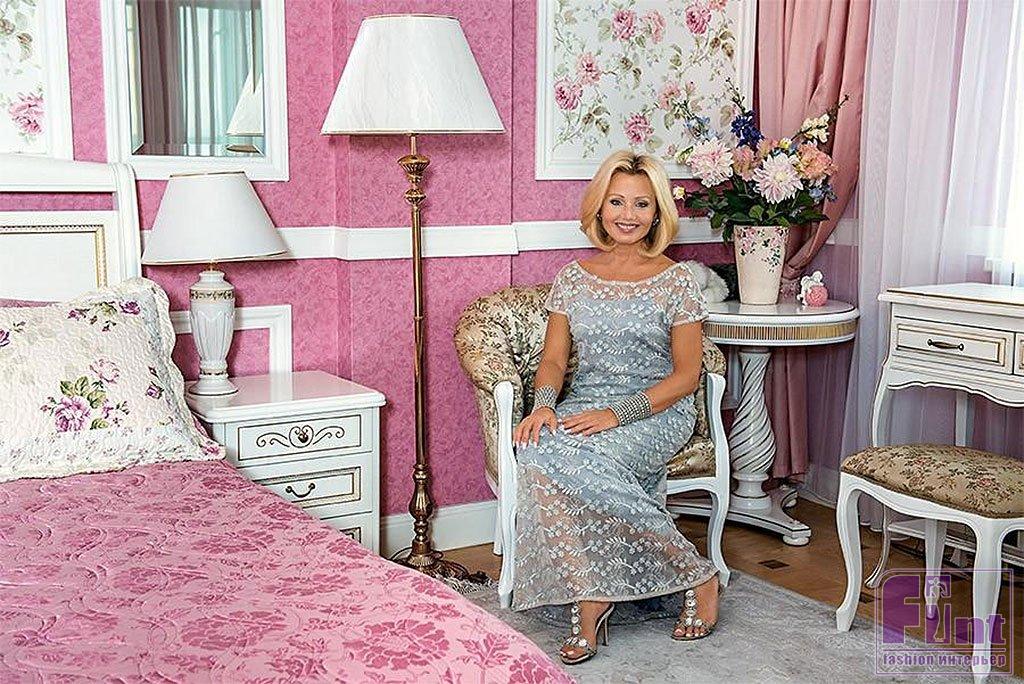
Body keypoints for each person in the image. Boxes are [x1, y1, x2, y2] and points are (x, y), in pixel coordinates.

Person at [512, 149, 720, 665]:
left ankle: (696, 574)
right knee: (537, 451)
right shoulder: (573, 277)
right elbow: (553, 360)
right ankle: (593, 589)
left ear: (657, 212)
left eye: (641, 204)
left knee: (589, 459)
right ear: (599, 208)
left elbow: (686, 376)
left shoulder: (676, 280)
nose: (628, 215)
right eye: (617, 202)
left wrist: (618, 415)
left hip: (656, 408)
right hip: (585, 403)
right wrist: (543, 406)